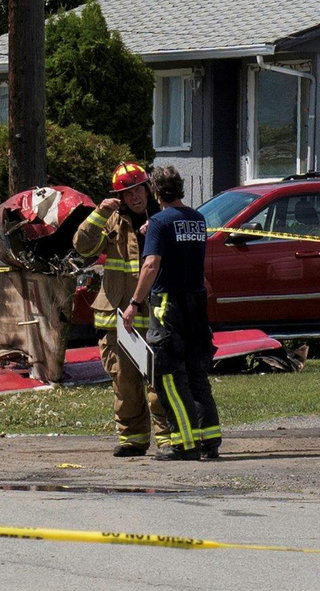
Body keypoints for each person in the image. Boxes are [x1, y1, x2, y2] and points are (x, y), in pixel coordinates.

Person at [122, 165, 221, 461]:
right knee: (195, 373)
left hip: (169, 304)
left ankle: (183, 443)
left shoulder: (160, 223)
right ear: (180, 189)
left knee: (168, 375)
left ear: (155, 192)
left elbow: (151, 265)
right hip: (196, 303)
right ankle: (209, 440)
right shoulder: (197, 219)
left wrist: (134, 304)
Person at [73, 162, 172, 459]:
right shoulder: (112, 220)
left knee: (159, 381)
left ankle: (168, 438)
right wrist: (100, 212)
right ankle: (133, 438)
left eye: (138, 189)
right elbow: (82, 246)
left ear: (148, 189)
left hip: (156, 314)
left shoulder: (163, 217)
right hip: (119, 317)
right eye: (127, 193)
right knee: (125, 382)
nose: (134, 197)